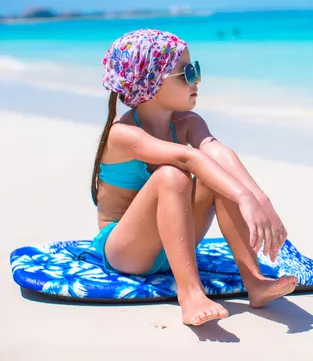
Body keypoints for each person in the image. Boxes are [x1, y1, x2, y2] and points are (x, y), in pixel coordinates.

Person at [90, 29, 298, 326]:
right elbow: (188, 158)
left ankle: (255, 281)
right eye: (186, 72)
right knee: (171, 176)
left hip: (172, 243)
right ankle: (190, 294)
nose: (197, 79)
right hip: (127, 251)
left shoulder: (188, 123)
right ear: (151, 81)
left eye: (196, 69)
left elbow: (218, 153)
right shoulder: (123, 134)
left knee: (216, 171)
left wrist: (261, 200)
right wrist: (243, 197)